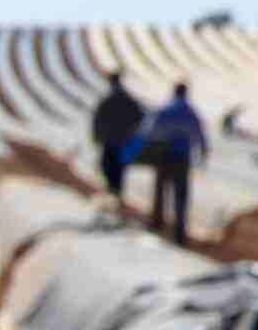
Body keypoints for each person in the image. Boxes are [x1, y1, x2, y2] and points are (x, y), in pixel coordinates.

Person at [142, 81, 210, 243]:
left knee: (160, 190)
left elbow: (151, 131)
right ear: (186, 93)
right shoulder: (191, 112)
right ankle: (180, 232)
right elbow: (199, 134)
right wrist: (202, 153)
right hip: (182, 157)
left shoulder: (165, 109)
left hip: (164, 155)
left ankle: (157, 224)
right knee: (181, 194)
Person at [90, 70, 145, 204]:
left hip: (110, 140)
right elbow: (140, 116)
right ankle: (116, 193)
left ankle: (113, 192)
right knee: (118, 168)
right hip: (123, 140)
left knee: (108, 166)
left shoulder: (108, 99)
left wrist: (97, 136)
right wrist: (132, 131)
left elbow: (97, 119)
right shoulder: (127, 98)